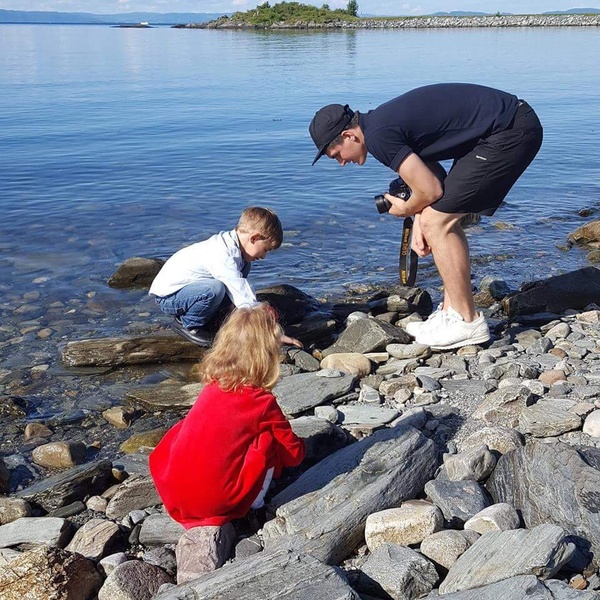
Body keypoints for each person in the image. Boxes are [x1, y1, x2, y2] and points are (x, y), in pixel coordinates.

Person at [309, 83, 543, 350]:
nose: (340, 162)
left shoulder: (380, 137)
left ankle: (467, 322)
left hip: (510, 130)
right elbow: (436, 184)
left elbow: (430, 190)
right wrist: (420, 218)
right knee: (437, 219)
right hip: (500, 127)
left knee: (438, 222)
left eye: (336, 155)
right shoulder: (381, 124)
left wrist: (406, 209)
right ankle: (450, 312)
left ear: (349, 135)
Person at [149, 303, 306, 528]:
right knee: (266, 439)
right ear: (268, 355)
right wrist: (303, 449)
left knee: (188, 427)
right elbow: (294, 454)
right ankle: (256, 502)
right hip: (215, 502)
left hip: (172, 493)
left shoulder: (212, 387)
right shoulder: (262, 402)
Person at [149, 206, 301, 348]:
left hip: (192, 289)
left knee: (230, 282)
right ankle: (188, 324)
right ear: (254, 238)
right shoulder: (222, 254)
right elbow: (239, 291)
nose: (263, 256)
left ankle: (212, 317)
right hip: (170, 296)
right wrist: (266, 330)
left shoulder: (241, 257)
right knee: (215, 289)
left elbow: (239, 288)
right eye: (265, 249)